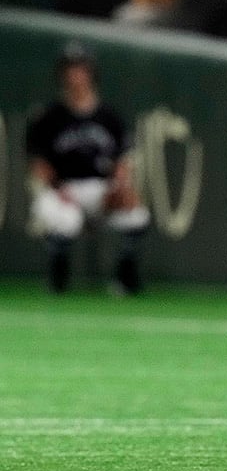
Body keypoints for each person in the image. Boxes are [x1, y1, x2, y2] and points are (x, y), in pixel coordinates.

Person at [25, 42, 150, 294]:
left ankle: (125, 278)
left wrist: (120, 187)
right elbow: (39, 166)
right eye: (70, 69)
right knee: (65, 219)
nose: (76, 75)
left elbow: (122, 163)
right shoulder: (48, 117)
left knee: (136, 214)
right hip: (62, 189)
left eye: (81, 69)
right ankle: (58, 279)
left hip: (98, 191)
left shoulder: (109, 116)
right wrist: (59, 189)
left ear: (91, 72)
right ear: (61, 74)